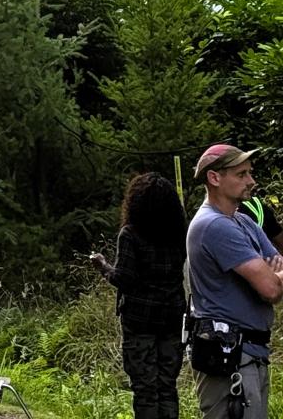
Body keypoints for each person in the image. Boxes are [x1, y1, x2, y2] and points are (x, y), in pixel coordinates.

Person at [186, 144, 283, 419]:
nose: (251, 181)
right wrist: (268, 275)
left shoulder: (242, 221)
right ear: (214, 178)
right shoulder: (215, 226)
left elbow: (274, 273)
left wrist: (269, 274)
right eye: (241, 174)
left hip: (250, 354)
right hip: (230, 358)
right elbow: (271, 288)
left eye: (249, 173)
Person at [91, 173, 187, 419]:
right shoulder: (179, 233)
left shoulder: (131, 234)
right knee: (167, 387)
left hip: (139, 322)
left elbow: (124, 278)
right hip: (172, 319)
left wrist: (103, 265)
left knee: (145, 390)